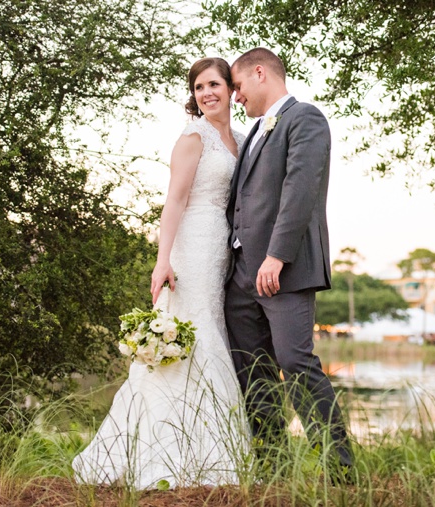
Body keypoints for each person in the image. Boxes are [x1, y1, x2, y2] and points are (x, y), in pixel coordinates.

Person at [73, 57, 249, 489]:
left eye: (213, 84)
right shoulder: (193, 138)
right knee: (192, 332)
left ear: (231, 88)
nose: (205, 93)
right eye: (197, 87)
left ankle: (209, 446)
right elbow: (174, 201)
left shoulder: (242, 140)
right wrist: (161, 259)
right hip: (190, 247)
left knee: (211, 330)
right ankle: (168, 453)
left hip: (220, 248)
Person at [224, 47, 355, 480]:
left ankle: (339, 467)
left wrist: (276, 256)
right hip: (242, 272)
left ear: (260, 73)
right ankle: (272, 465)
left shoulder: (305, 119)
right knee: (253, 368)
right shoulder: (254, 132)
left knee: (295, 361)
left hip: (285, 268)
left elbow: (300, 189)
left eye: (238, 85)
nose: (235, 96)